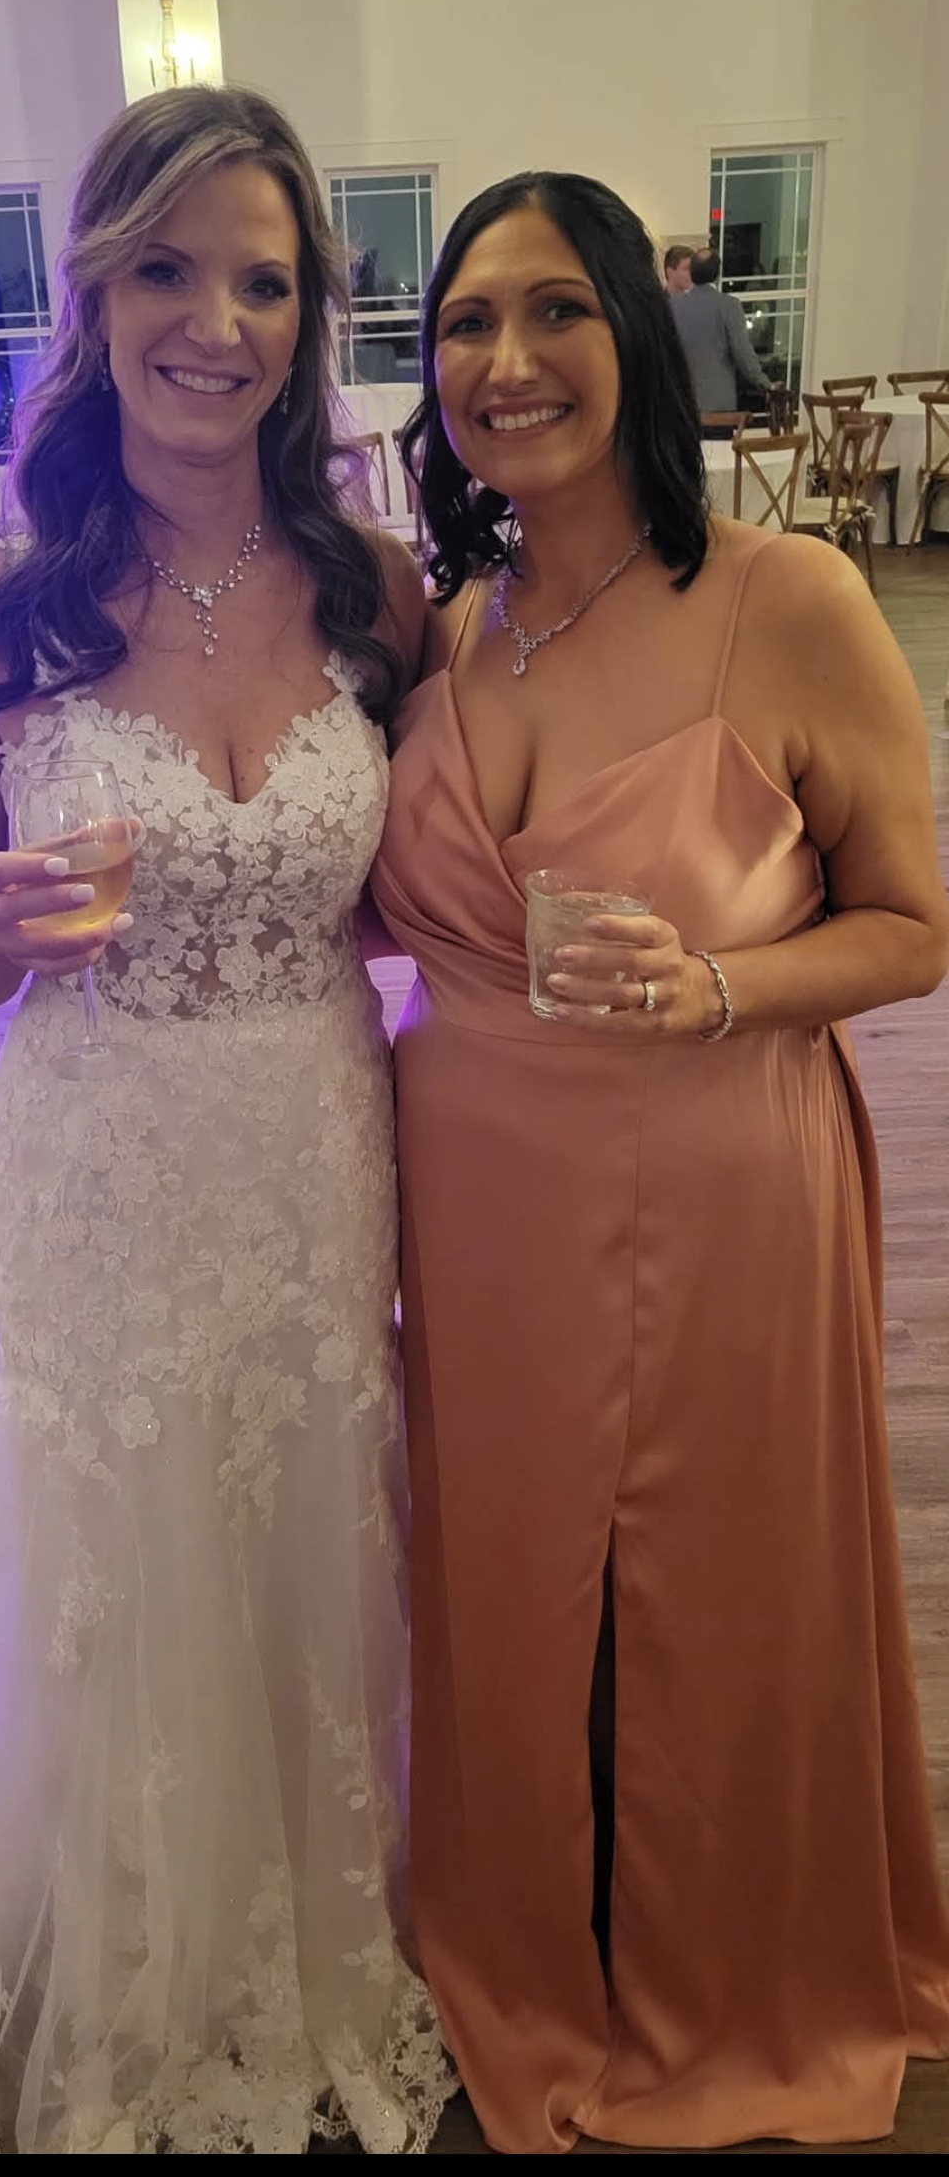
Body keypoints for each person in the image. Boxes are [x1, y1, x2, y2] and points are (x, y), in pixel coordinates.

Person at [0, 83, 455, 2155]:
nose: (218, 324)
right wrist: (0, 927)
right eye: (170, 273)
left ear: (310, 318)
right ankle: (123, 1939)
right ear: (95, 294)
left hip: (314, 1132)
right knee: (119, 1531)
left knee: (304, 1511)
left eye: (265, 283)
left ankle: (305, 1910)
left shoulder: (377, 591)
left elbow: (416, 889)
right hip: (97, 1145)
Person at [370, 168, 949, 2153]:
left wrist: (719, 985)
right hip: (475, 1207)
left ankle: (729, 1966)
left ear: (637, 331)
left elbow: (914, 927)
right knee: (509, 1586)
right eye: (465, 322)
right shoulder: (449, 633)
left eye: (554, 310)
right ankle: (533, 1941)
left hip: (717, 1174)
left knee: (715, 1581)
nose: (507, 358)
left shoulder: (789, 601)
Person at [671, 242, 770, 421]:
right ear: (717, 274)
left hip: (682, 405)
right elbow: (742, 354)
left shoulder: (672, 307)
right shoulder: (729, 306)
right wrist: (765, 384)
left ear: (692, 273)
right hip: (720, 407)